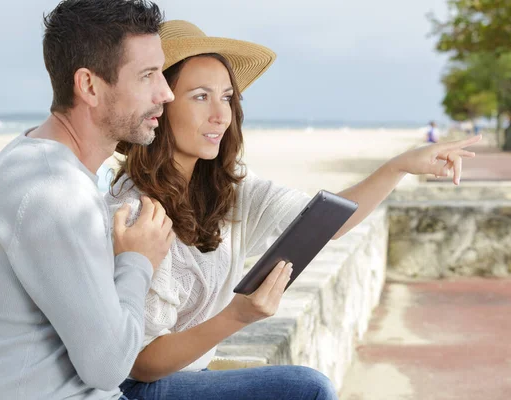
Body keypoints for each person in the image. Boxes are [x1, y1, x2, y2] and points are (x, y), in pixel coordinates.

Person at [105, 20, 482, 400]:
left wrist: (398, 167)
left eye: (227, 97)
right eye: (201, 96)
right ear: (159, 106)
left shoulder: (228, 190)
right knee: (308, 389)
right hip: (137, 389)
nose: (222, 115)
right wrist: (237, 315)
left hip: (185, 377)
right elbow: (140, 363)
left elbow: (328, 223)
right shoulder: (136, 212)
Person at [0, 1, 175, 399]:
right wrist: (138, 261)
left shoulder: (30, 158)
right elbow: (109, 366)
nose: (166, 92)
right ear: (90, 86)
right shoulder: (55, 191)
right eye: (148, 75)